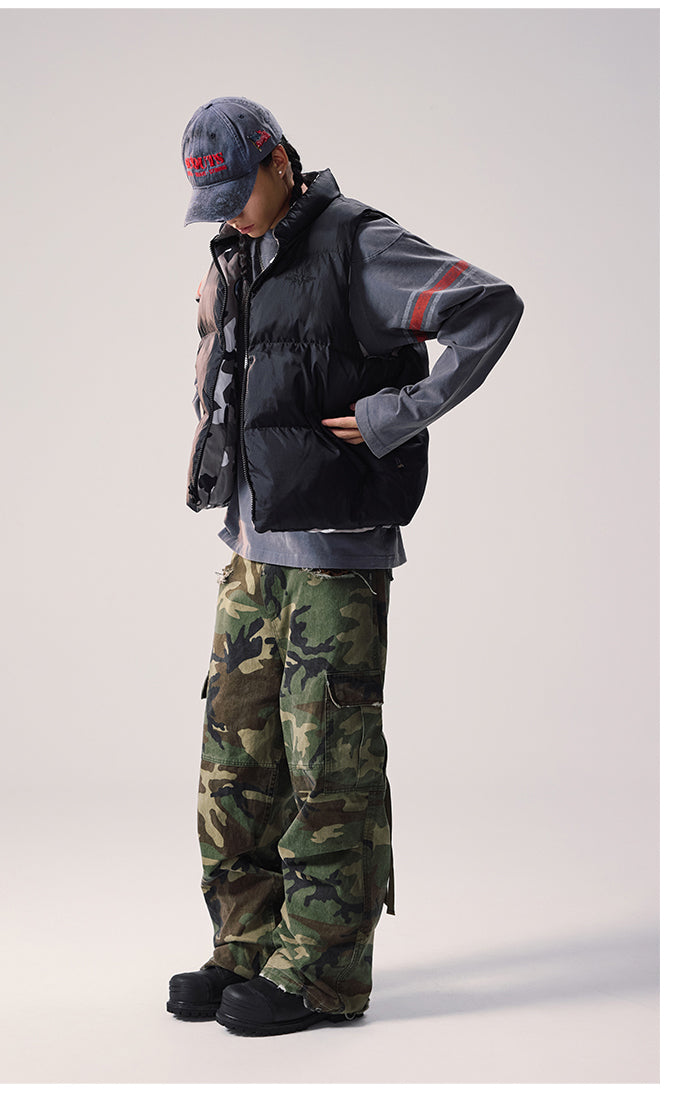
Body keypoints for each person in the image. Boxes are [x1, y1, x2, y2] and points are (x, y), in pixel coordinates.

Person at [167, 96, 524, 1037]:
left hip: (335, 556)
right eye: (218, 205)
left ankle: (322, 973)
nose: (233, 215)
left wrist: (396, 414)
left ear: (280, 162)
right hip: (252, 552)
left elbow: (487, 306)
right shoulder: (238, 254)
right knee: (235, 763)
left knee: (330, 763)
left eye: (242, 194)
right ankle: (247, 943)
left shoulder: (359, 244)